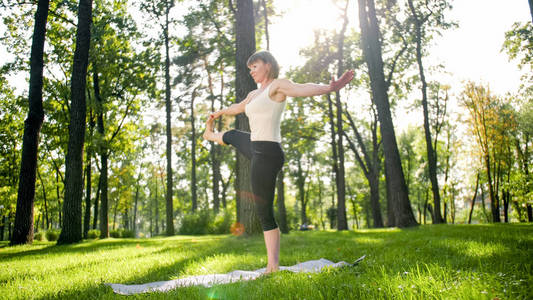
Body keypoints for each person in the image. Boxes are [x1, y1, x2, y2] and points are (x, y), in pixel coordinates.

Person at [203, 50, 354, 273]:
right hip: (255, 145)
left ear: (267, 65)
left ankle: (272, 266)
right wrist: (218, 113)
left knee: (263, 210)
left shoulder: (277, 86)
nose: (251, 71)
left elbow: (302, 88)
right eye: (250, 68)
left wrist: (330, 88)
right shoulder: (255, 94)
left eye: (255, 66)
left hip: (267, 152)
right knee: (234, 134)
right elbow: (238, 107)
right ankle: (210, 135)